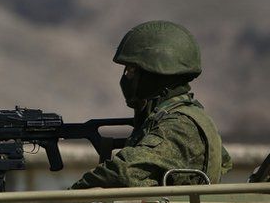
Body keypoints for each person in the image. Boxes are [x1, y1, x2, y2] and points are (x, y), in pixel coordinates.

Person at [72, 20, 232, 189]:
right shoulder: (175, 115)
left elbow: (123, 173)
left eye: (132, 71)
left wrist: (71, 196)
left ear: (155, 75)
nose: (126, 78)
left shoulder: (179, 126)